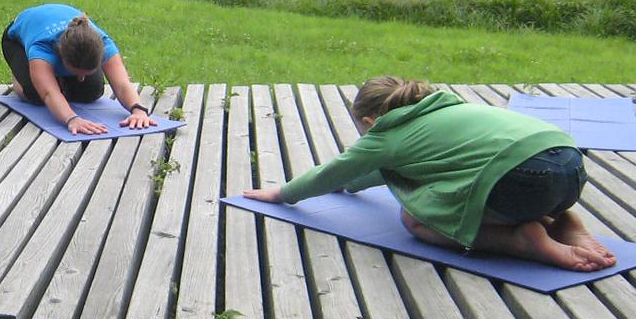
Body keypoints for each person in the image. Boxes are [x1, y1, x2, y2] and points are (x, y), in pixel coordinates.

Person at [243, 76, 616, 272]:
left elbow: (331, 172)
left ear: (370, 122)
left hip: (520, 180)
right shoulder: (445, 110)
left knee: (416, 218)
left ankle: (522, 240)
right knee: (511, 181)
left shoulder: (385, 135)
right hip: (570, 166)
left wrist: (283, 194)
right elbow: (381, 173)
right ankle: (566, 223)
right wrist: (353, 184)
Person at [1, 3, 156, 136]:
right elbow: (49, 93)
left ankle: (56, 77)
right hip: (17, 40)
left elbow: (122, 84)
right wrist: (72, 119)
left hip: (69, 44)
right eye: (77, 73)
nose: (81, 78)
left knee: (91, 92)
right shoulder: (42, 47)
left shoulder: (104, 44)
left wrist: (138, 110)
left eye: (85, 73)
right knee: (35, 94)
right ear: (61, 58)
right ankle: (23, 76)